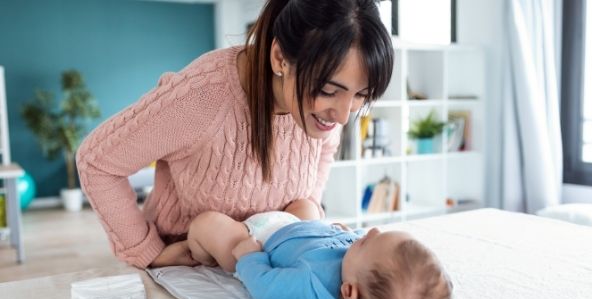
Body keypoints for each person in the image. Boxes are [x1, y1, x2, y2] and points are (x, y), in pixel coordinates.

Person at [76, 0, 394, 269]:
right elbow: (96, 161)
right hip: (191, 270)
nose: (342, 115)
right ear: (280, 59)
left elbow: (325, 147)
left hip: (264, 269)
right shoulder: (201, 97)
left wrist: (306, 210)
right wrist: (149, 251)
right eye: (327, 91)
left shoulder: (325, 116)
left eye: (359, 96)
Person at [184, 201, 452, 299]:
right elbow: (359, 243)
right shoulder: (361, 268)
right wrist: (350, 236)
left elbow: (265, 288)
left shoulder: (311, 289)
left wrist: (251, 257)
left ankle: (197, 254)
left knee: (207, 225)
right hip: (300, 225)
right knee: (308, 204)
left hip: (259, 240)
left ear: (348, 291)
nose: (371, 230)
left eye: (366, 242)